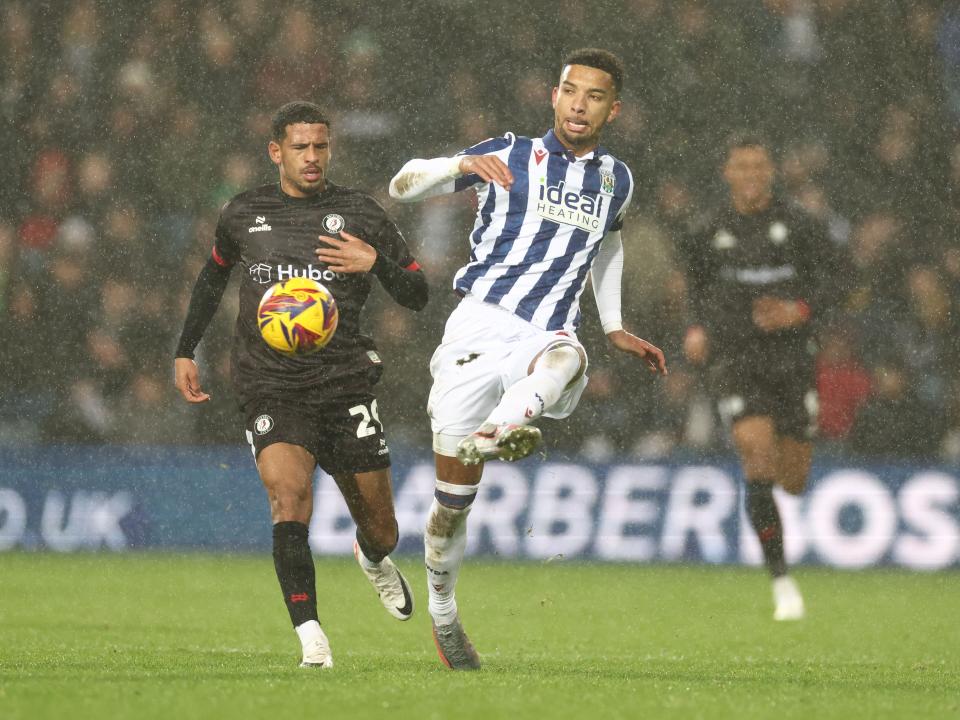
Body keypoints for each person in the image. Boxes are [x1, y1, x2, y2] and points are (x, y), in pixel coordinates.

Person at [389, 48, 667, 670]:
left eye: (596, 96)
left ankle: (505, 427)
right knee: (448, 513)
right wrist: (458, 163)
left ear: (613, 109)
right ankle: (443, 614)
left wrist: (615, 325)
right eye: (572, 91)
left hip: (546, 330)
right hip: (475, 328)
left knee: (568, 357)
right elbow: (400, 186)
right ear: (554, 95)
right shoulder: (509, 154)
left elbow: (609, 245)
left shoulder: (615, 180)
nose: (580, 104)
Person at [174, 101, 428, 668]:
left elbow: (417, 292)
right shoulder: (243, 214)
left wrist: (376, 262)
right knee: (289, 498)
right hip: (271, 384)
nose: (312, 158)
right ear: (275, 152)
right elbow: (213, 276)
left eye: (321, 147)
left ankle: (372, 558)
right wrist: (185, 348)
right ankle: (312, 635)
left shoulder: (361, 214)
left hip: (345, 385)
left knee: (383, 529)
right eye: (300, 147)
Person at [679, 132, 848, 621]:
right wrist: (695, 327)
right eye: (742, 167)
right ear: (727, 173)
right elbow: (695, 285)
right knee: (756, 455)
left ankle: (779, 540)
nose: (750, 175)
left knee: (792, 479)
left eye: (759, 167)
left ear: (770, 172)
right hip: (737, 358)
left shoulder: (800, 226)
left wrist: (801, 309)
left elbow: (843, 279)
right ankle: (782, 581)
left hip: (793, 359)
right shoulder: (707, 230)